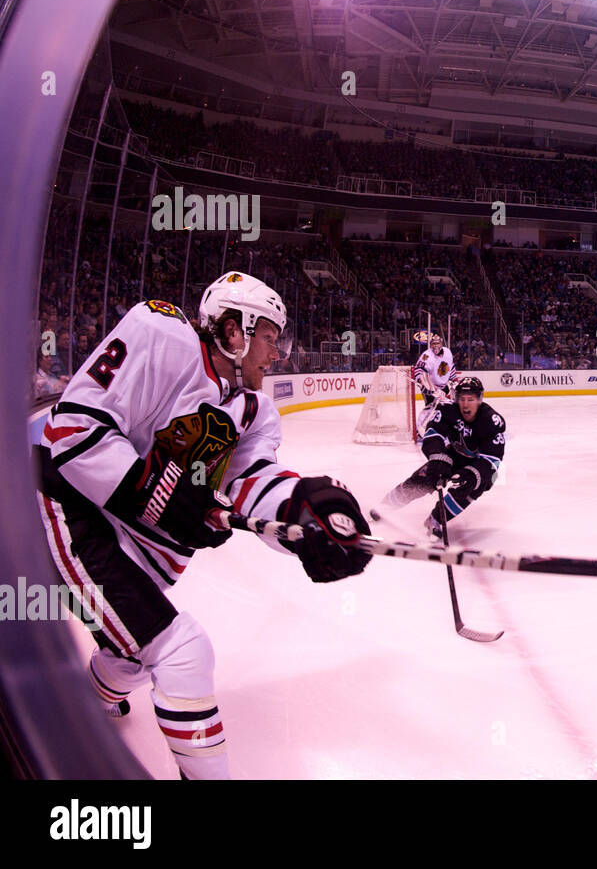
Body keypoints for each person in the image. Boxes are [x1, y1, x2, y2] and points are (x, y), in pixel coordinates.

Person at [35, 273, 372, 779]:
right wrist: (158, 497)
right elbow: (73, 428)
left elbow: (252, 482)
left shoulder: (253, 409)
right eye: (269, 337)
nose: (276, 353)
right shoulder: (160, 334)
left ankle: (83, 707)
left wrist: (303, 509)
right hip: (72, 514)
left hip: (138, 548)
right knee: (182, 652)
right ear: (234, 332)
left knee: (129, 653)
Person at [377, 377, 505, 540]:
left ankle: (436, 519)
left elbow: (492, 459)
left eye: (471, 399)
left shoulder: (491, 421)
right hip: (453, 454)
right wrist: (438, 457)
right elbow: (433, 433)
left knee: (473, 487)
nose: (465, 404)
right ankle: (386, 505)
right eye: (462, 399)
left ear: (479, 400)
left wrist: (474, 475)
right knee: (426, 476)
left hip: (479, 463)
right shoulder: (448, 411)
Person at [414, 332, 457, 426]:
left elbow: (451, 366)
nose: (435, 346)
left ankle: (441, 427)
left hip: (444, 387)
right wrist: (423, 382)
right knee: (431, 409)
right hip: (430, 389)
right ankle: (423, 428)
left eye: (437, 343)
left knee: (444, 408)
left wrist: (454, 379)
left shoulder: (447, 352)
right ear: (430, 345)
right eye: (433, 344)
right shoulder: (426, 355)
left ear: (441, 344)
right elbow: (418, 369)